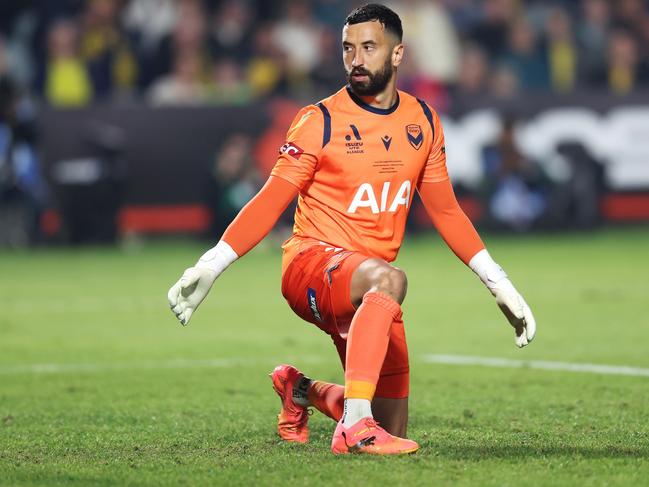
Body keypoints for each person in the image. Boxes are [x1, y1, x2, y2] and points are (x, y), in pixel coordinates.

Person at [167, 3, 536, 456]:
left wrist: (498, 281)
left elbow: (447, 213)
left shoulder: (423, 121)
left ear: (397, 54)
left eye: (368, 47)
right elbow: (270, 199)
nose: (356, 59)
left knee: (393, 423)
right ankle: (353, 427)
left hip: (367, 288)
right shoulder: (318, 120)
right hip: (311, 264)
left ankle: (301, 390)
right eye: (348, 48)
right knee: (390, 279)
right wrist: (212, 262)